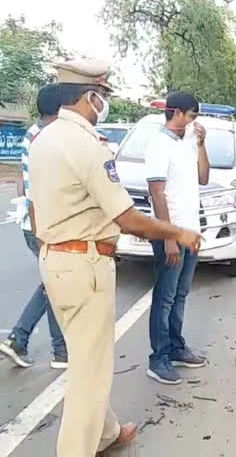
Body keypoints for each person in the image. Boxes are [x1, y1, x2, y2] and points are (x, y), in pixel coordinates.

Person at [28, 59, 202, 456]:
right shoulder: (86, 143)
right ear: (90, 96)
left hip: (57, 258)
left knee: (85, 357)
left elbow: (37, 208)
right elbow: (125, 218)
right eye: (102, 96)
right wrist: (178, 232)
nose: (103, 103)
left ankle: (105, 432)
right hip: (85, 264)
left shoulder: (45, 139)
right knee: (90, 373)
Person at [144, 92, 210, 385]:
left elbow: (203, 177)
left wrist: (201, 144)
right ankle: (158, 358)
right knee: (166, 296)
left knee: (180, 294)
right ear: (179, 113)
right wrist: (168, 237)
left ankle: (175, 346)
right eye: (192, 115)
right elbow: (157, 192)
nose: (194, 121)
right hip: (171, 234)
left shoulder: (186, 143)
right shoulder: (158, 144)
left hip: (191, 231)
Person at [0, 85, 67, 369]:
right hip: (41, 224)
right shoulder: (45, 137)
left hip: (40, 221)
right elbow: (36, 191)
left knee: (54, 283)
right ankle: (29, 340)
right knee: (55, 283)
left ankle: (49, 347)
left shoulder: (36, 133)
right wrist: (42, 234)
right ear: (61, 108)